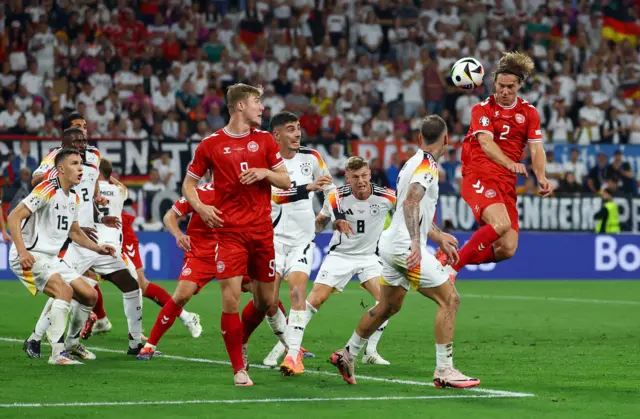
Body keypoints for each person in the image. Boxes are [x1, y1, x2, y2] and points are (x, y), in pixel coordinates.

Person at [329, 115, 480, 389]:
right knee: (450, 300)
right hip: (403, 246)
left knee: (389, 305)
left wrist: (438, 236)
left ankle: (347, 353)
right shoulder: (428, 166)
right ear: (446, 140)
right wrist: (415, 243)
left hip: (389, 243)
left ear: (420, 139)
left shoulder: (411, 162)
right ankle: (444, 369)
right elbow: (411, 201)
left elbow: (411, 208)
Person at [182, 83, 290, 386]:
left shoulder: (266, 140)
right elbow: (188, 186)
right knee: (229, 301)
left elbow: (284, 179)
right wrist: (201, 209)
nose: (262, 108)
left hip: (262, 233)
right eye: (257, 102)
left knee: (265, 301)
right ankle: (239, 368)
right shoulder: (210, 145)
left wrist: (265, 173)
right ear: (240, 106)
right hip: (229, 234)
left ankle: (241, 337)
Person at [23, 128, 145, 359]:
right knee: (63, 292)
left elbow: (89, 198)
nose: (81, 142)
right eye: (76, 139)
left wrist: (100, 216)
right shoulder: (58, 163)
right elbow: (40, 184)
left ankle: (135, 343)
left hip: (97, 238)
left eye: (83, 138)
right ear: (65, 144)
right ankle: (35, 338)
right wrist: (74, 229)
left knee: (130, 284)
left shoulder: (91, 162)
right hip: (77, 242)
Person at [436, 52, 552, 279]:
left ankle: (449, 257)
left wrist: (541, 176)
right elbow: (486, 143)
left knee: (507, 248)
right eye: (501, 85)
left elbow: (537, 148)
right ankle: (449, 271)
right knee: (500, 223)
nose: (505, 91)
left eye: (510, 86)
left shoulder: (529, 112)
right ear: (494, 83)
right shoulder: (483, 109)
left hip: (505, 183)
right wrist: (510, 162)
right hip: (478, 174)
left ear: (520, 85)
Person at [7, 148, 115, 364]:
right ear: (61, 169)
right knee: (64, 291)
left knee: (90, 295)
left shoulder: (73, 197)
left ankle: (72, 344)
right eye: (75, 163)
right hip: (32, 255)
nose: (80, 168)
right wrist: (22, 251)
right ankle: (57, 354)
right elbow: (13, 216)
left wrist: (97, 248)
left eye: (81, 164)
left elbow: (74, 232)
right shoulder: (46, 189)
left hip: (52, 258)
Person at [81, 160, 201, 340]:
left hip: (121, 233)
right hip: (99, 234)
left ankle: (185, 317)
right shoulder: (110, 188)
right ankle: (102, 319)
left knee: (140, 285)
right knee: (85, 276)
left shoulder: (95, 188)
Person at [262, 111, 333, 376]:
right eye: (291, 129)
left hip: (303, 239)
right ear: (276, 135)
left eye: (298, 128)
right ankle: (291, 346)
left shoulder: (312, 157)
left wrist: (326, 215)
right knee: (268, 302)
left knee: (296, 293)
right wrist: (308, 188)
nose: (297, 133)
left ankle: (292, 357)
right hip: (273, 240)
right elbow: (277, 197)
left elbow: (330, 189)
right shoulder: (268, 163)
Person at [311, 156, 396, 365]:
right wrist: (308, 233)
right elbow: (320, 221)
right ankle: (290, 348)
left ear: (370, 173)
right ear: (347, 177)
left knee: (387, 302)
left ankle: (370, 351)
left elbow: (409, 209)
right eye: (355, 176)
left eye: (365, 175)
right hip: (340, 255)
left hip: (368, 258)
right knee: (315, 300)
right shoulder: (336, 196)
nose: (361, 180)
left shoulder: (386, 197)